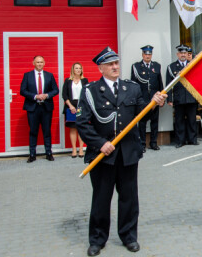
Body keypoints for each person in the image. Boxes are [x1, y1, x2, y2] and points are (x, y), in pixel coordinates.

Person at [76, 47, 167, 256]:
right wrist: (100, 143)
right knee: (101, 198)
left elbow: (141, 115)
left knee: (129, 198)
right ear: (101, 68)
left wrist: (154, 103)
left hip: (128, 153)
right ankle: (97, 239)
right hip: (103, 156)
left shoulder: (131, 88)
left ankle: (129, 236)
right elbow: (83, 123)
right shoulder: (90, 91)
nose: (115, 67)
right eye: (110, 64)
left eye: (116, 63)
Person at [20, 55, 59, 163]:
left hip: (46, 107)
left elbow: (55, 90)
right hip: (33, 107)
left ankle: (49, 153)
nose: (39, 64)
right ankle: (32, 154)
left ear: (44, 63)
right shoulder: (27, 75)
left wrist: (46, 95)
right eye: (37, 62)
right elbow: (22, 90)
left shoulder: (49, 75)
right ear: (33, 63)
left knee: (47, 131)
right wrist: (35, 96)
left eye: (41, 62)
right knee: (33, 131)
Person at [131, 45, 164, 152]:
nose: (147, 56)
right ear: (142, 55)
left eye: (149, 54)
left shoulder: (157, 66)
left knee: (155, 121)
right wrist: (135, 99)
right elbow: (133, 84)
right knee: (142, 122)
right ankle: (142, 143)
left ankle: (153, 143)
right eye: (146, 54)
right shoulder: (136, 67)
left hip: (155, 99)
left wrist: (162, 98)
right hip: (143, 99)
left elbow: (160, 83)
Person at [167, 44, 199, 148]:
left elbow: (198, 82)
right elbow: (168, 85)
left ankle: (192, 139)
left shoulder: (193, 64)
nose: (183, 55)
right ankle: (180, 141)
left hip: (191, 97)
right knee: (179, 120)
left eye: (185, 53)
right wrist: (169, 99)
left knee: (191, 120)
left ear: (187, 54)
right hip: (178, 98)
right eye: (181, 53)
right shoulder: (171, 67)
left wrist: (198, 98)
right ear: (177, 54)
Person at [62, 62, 89, 158]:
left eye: (80, 68)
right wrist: (70, 106)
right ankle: (74, 149)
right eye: (76, 68)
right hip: (70, 106)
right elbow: (64, 95)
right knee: (73, 128)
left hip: (81, 106)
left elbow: (87, 94)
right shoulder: (68, 81)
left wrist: (81, 106)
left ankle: (81, 149)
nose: (78, 70)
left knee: (80, 128)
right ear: (73, 70)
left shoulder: (85, 80)